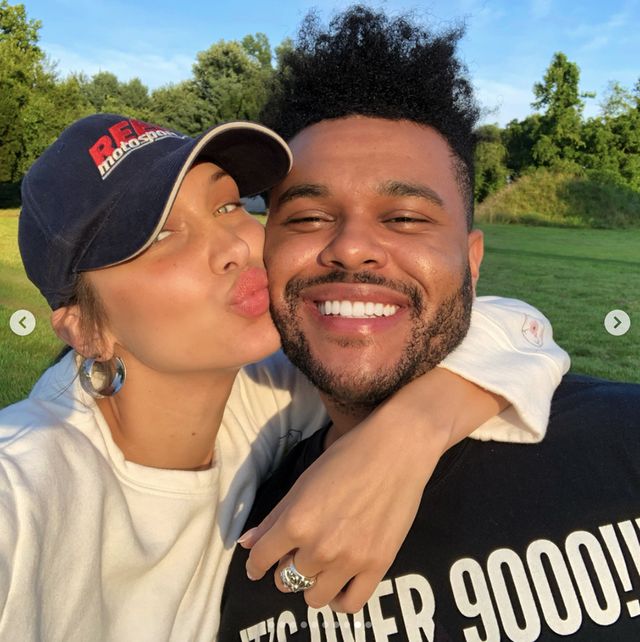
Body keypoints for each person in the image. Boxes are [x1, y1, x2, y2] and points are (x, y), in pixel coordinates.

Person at [0, 113, 565, 642]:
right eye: (160, 236)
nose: (234, 247)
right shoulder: (25, 490)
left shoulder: (266, 391)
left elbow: (510, 324)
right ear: (85, 331)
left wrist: (405, 439)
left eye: (225, 206)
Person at [218, 6, 640, 641]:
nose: (352, 247)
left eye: (406, 218)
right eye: (306, 219)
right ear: (265, 251)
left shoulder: (624, 439)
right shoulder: (224, 537)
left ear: (472, 263)